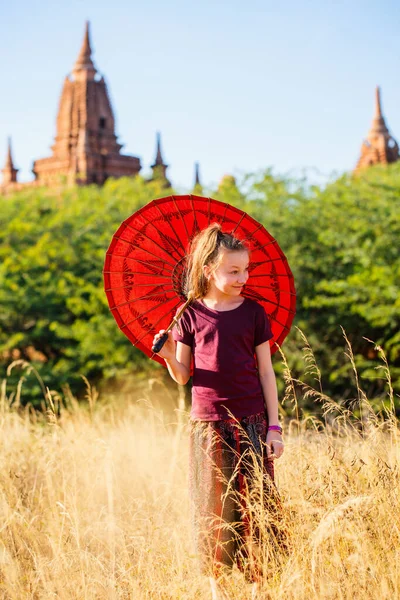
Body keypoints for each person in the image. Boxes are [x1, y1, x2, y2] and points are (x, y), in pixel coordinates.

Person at [152, 223, 285, 599]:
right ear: (209, 270)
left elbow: (265, 371)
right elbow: (182, 376)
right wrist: (164, 353)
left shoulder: (254, 313)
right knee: (214, 504)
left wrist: (274, 427)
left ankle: (259, 586)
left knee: (257, 502)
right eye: (234, 271)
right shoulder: (190, 315)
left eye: (246, 270)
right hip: (207, 423)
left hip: (253, 421)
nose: (243, 278)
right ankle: (217, 590)